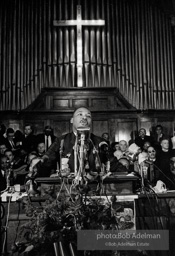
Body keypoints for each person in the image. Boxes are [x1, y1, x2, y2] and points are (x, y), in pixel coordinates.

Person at [35, 107, 127, 177]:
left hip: (94, 187)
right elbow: (46, 164)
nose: (84, 118)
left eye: (88, 116)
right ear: (72, 120)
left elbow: (114, 165)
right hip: (67, 187)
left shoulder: (100, 142)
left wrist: (130, 174)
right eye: (80, 115)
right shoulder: (61, 141)